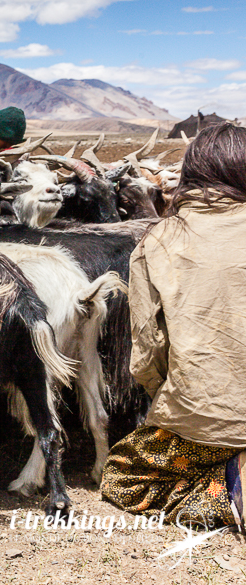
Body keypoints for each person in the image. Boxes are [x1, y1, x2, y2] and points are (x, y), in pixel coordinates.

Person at [101, 123, 246, 530]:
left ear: (195, 171)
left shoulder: (161, 239)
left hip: (203, 420)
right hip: (207, 413)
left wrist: (171, 400)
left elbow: (148, 350)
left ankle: (234, 485)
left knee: (126, 478)